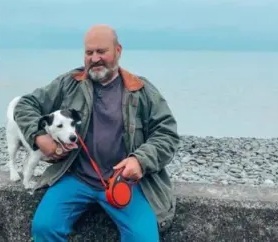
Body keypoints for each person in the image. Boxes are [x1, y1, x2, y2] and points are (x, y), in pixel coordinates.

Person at [13, 24, 180, 241]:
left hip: (125, 182)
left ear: (118, 51)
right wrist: (38, 136)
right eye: (89, 52)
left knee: (144, 238)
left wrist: (140, 160)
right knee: (44, 227)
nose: (94, 58)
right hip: (76, 177)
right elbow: (25, 104)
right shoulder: (69, 83)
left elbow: (167, 134)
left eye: (101, 51)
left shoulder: (140, 89)